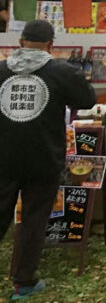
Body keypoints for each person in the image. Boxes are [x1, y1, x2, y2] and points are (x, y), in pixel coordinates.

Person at [0, 20, 96, 300]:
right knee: (33, 220)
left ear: (20, 43)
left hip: (3, 157)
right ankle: (24, 283)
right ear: (51, 45)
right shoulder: (61, 71)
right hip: (43, 158)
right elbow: (87, 99)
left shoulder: (1, 69)